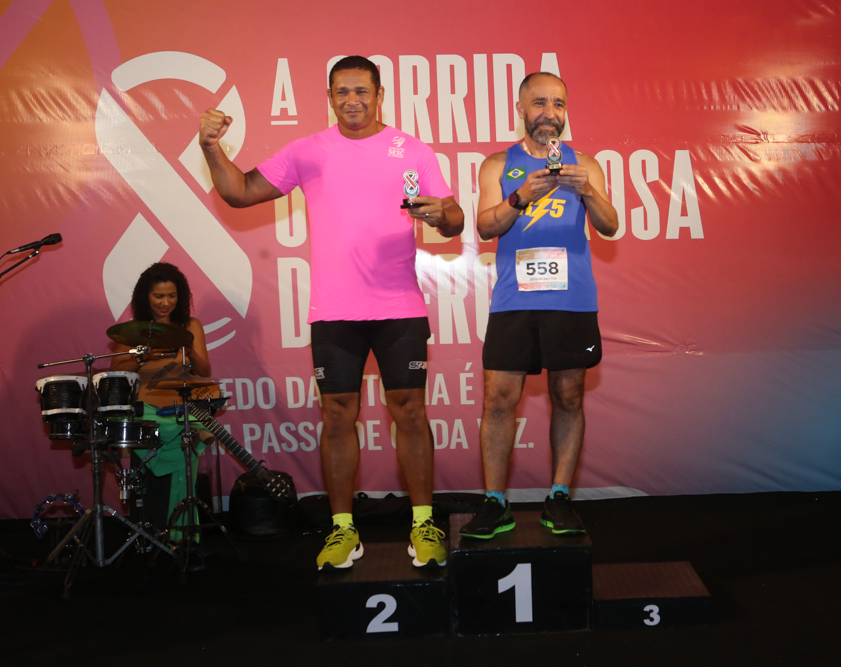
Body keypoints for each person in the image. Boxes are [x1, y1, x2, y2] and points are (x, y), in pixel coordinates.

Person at [199, 56, 464, 569]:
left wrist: (442, 215)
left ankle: (423, 524)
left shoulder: (411, 149)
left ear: (379, 94)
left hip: (398, 307)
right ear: (329, 96)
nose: (352, 100)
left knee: (410, 411)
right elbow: (238, 192)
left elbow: (452, 217)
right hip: (335, 311)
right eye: (342, 92)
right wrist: (211, 147)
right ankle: (343, 529)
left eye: (362, 91)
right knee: (338, 415)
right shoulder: (307, 151)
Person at [460, 72, 618, 539]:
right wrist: (521, 196)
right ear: (521, 109)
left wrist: (587, 191)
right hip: (514, 300)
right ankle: (494, 502)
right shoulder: (498, 164)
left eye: (558, 104)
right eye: (540, 103)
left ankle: (560, 496)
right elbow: (485, 227)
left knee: (568, 396)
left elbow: (610, 225)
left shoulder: (585, 164)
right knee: (498, 399)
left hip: (571, 300)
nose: (550, 113)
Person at [110, 262, 212, 533]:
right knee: (150, 484)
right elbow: (116, 370)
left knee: (183, 471)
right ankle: (151, 535)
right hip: (145, 413)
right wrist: (142, 356)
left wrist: (189, 350)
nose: (165, 303)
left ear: (181, 296)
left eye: (171, 296)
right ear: (145, 297)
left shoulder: (190, 326)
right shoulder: (132, 330)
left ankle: (181, 537)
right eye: (158, 296)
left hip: (180, 411)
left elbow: (205, 371)